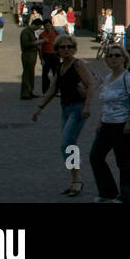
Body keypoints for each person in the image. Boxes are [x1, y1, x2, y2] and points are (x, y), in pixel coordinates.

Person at [32, 35, 98, 197]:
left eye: (69, 46)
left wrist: (87, 106)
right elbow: (53, 89)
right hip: (65, 109)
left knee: (66, 144)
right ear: (57, 50)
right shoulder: (60, 67)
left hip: (78, 109)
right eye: (63, 47)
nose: (66, 49)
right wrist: (40, 107)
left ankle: (76, 179)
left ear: (74, 49)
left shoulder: (78, 64)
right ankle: (75, 179)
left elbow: (91, 84)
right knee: (69, 144)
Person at [88, 44, 130, 203]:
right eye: (110, 56)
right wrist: (100, 121)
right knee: (96, 157)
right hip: (106, 124)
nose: (113, 58)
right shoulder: (107, 78)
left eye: (117, 55)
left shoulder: (128, 78)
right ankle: (107, 192)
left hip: (122, 124)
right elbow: (107, 104)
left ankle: (127, 196)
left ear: (124, 59)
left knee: (123, 162)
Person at [19, 18, 41, 99]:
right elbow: (25, 44)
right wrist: (36, 43)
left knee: (31, 73)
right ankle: (25, 93)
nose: (37, 29)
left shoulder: (31, 32)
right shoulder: (26, 32)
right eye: (38, 27)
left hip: (32, 54)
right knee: (27, 73)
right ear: (34, 25)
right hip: (27, 54)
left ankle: (30, 91)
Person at [38, 19, 61, 93]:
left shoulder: (56, 33)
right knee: (45, 74)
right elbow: (40, 48)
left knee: (56, 74)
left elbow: (59, 45)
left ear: (51, 25)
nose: (47, 27)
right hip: (46, 55)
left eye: (48, 25)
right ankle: (45, 91)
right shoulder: (42, 35)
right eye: (45, 26)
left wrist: (60, 55)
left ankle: (56, 90)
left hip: (55, 55)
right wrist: (41, 59)